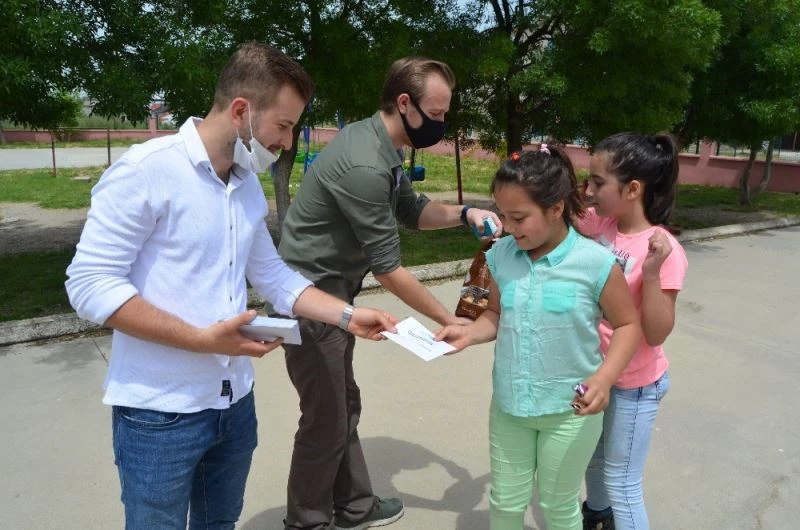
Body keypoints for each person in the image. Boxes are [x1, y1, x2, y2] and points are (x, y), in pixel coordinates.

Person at [64, 42, 397, 530]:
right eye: (282, 126)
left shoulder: (243, 185)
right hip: (160, 414)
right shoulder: (146, 170)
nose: (286, 141)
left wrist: (348, 316)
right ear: (242, 110)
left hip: (233, 404)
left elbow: (275, 277)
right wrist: (200, 340)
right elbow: (89, 283)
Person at [276, 56, 501, 530]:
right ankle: (306, 522)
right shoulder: (364, 163)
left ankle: (355, 505)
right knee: (326, 418)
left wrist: (465, 213)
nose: (441, 123)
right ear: (405, 103)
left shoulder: (382, 145)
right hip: (312, 295)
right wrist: (449, 319)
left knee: (342, 404)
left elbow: (412, 209)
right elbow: (391, 270)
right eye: (436, 114)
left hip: (334, 288)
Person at [435, 147, 642, 530]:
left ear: (556, 208)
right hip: (510, 408)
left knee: (558, 504)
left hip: (569, 412)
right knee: (506, 503)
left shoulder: (595, 262)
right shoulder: (501, 257)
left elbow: (628, 325)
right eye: (504, 216)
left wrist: (604, 378)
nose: (510, 228)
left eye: (519, 217)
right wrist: (467, 333)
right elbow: (496, 315)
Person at [577, 133, 688, 530]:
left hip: (636, 385)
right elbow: (566, 211)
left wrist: (654, 274)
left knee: (622, 483)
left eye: (598, 182)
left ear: (633, 189)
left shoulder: (662, 249)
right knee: (594, 459)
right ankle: (597, 515)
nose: (589, 189)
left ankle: (611, 512)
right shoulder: (604, 223)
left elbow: (656, 333)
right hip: (601, 373)